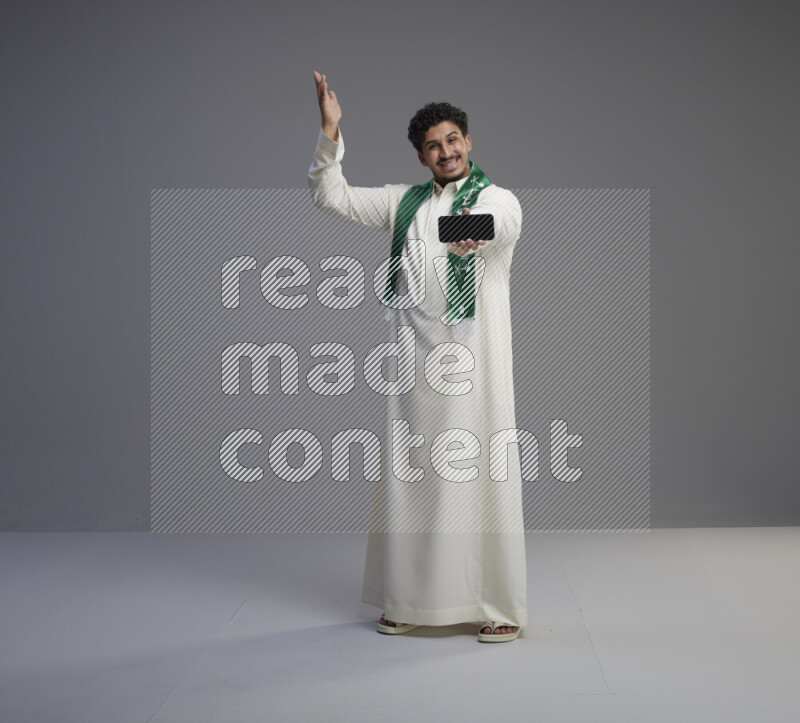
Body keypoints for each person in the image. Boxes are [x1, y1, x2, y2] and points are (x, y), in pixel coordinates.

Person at [308, 71, 527, 642]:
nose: (446, 150)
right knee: (414, 480)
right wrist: (331, 133)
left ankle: (496, 606)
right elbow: (332, 196)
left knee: (480, 477)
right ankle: (409, 601)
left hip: (474, 367)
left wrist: (467, 232)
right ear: (422, 156)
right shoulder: (402, 204)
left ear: (468, 143)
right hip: (413, 368)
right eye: (434, 145)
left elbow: (499, 227)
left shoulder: (497, 198)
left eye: (454, 139)